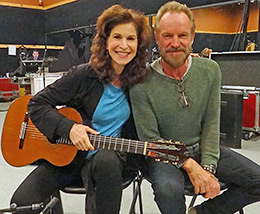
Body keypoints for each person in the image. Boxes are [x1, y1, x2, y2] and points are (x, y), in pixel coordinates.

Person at [10, 4, 151, 214]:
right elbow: (36, 104)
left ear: (139, 44)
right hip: (68, 158)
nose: (124, 45)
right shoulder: (83, 75)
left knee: (106, 161)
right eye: (117, 37)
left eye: (131, 38)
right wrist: (69, 128)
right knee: (22, 203)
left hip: (110, 162)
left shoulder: (141, 82)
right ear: (106, 41)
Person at [130, 1, 260, 214]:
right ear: (157, 38)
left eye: (182, 35)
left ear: (192, 36)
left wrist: (207, 168)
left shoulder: (210, 70)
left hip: (201, 149)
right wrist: (192, 166)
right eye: (167, 36)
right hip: (163, 156)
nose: (175, 43)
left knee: (257, 181)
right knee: (168, 189)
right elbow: (151, 140)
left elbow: (211, 123)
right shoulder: (141, 82)